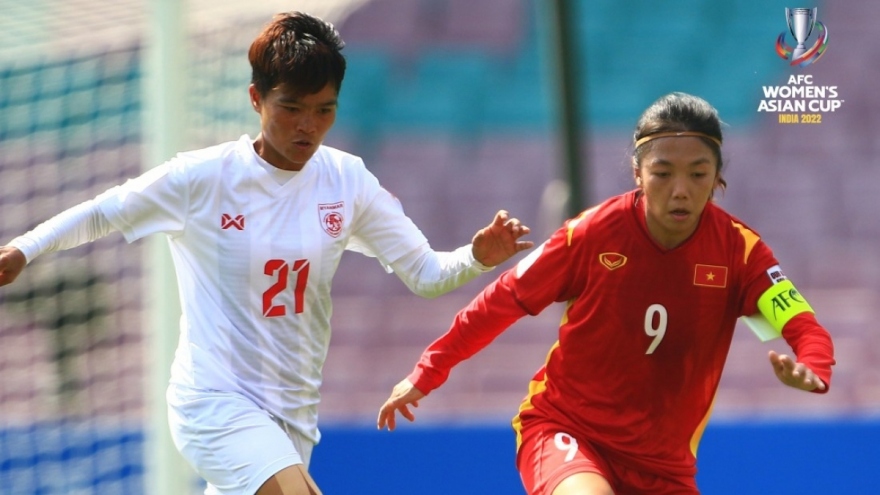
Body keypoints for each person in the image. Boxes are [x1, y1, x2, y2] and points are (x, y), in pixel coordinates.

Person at [0, 12, 534, 495]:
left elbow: (425, 273)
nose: (308, 126)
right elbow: (103, 212)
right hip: (214, 402)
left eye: (324, 110)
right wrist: (24, 248)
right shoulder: (203, 177)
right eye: (291, 108)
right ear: (257, 99)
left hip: (292, 415)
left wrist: (476, 256)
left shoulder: (347, 181)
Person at [377, 92, 836, 495]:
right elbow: (501, 301)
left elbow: (804, 327)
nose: (680, 191)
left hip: (664, 468)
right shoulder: (590, 234)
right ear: (637, 173)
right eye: (663, 173)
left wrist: (812, 367)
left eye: (698, 174)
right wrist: (429, 369)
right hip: (568, 431)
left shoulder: (741, 253)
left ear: (718, 178)